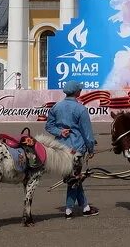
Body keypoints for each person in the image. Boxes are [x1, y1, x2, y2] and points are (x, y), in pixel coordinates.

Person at [45, 80, 98, 219]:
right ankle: (69, 210)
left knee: (74, 179)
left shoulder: (56, 107)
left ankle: (85, 207)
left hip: (61, 149)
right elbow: (87, 134)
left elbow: (49, 127)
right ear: (77, 92)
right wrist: (91, 149)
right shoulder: (81, 109)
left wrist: (59, 132)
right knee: (74, 180)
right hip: (77, 149)